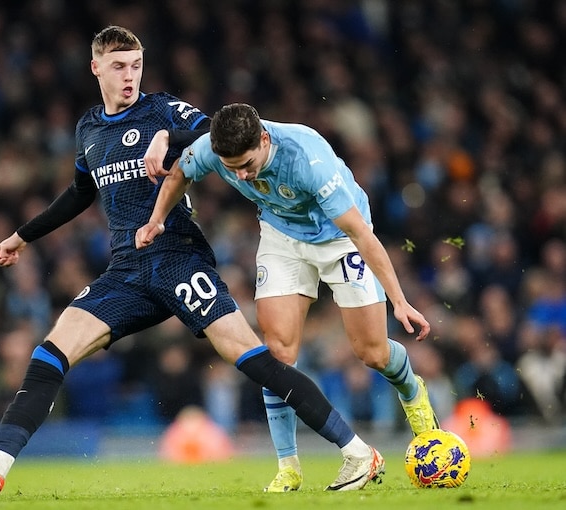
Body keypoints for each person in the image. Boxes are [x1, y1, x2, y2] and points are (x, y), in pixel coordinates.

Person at [0, 27, 384, 498]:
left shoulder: (162, 109)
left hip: (179, 257)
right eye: (119, 66)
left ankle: (357, 451)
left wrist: (171, 136)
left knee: (256, 361)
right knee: (49, 353)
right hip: (126, 271)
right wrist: (23, 236)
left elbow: (219, 130)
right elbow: (80, 194)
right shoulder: (89, 129)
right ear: (96, 67)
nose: (129, 76)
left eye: (136, 65)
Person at [136, 102, 439, 492]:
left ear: (264, 139)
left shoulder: (308, 159)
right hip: (282, 239)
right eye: (231, 168)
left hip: (338, 239)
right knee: (276, 354)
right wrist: (157, 218)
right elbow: (179, 172)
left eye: (246, 164)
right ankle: (288, 467)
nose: (241, 175)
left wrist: (399, 300)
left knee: (373, 353)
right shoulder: (216, 148)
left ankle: (414, 393)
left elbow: (363, 236)